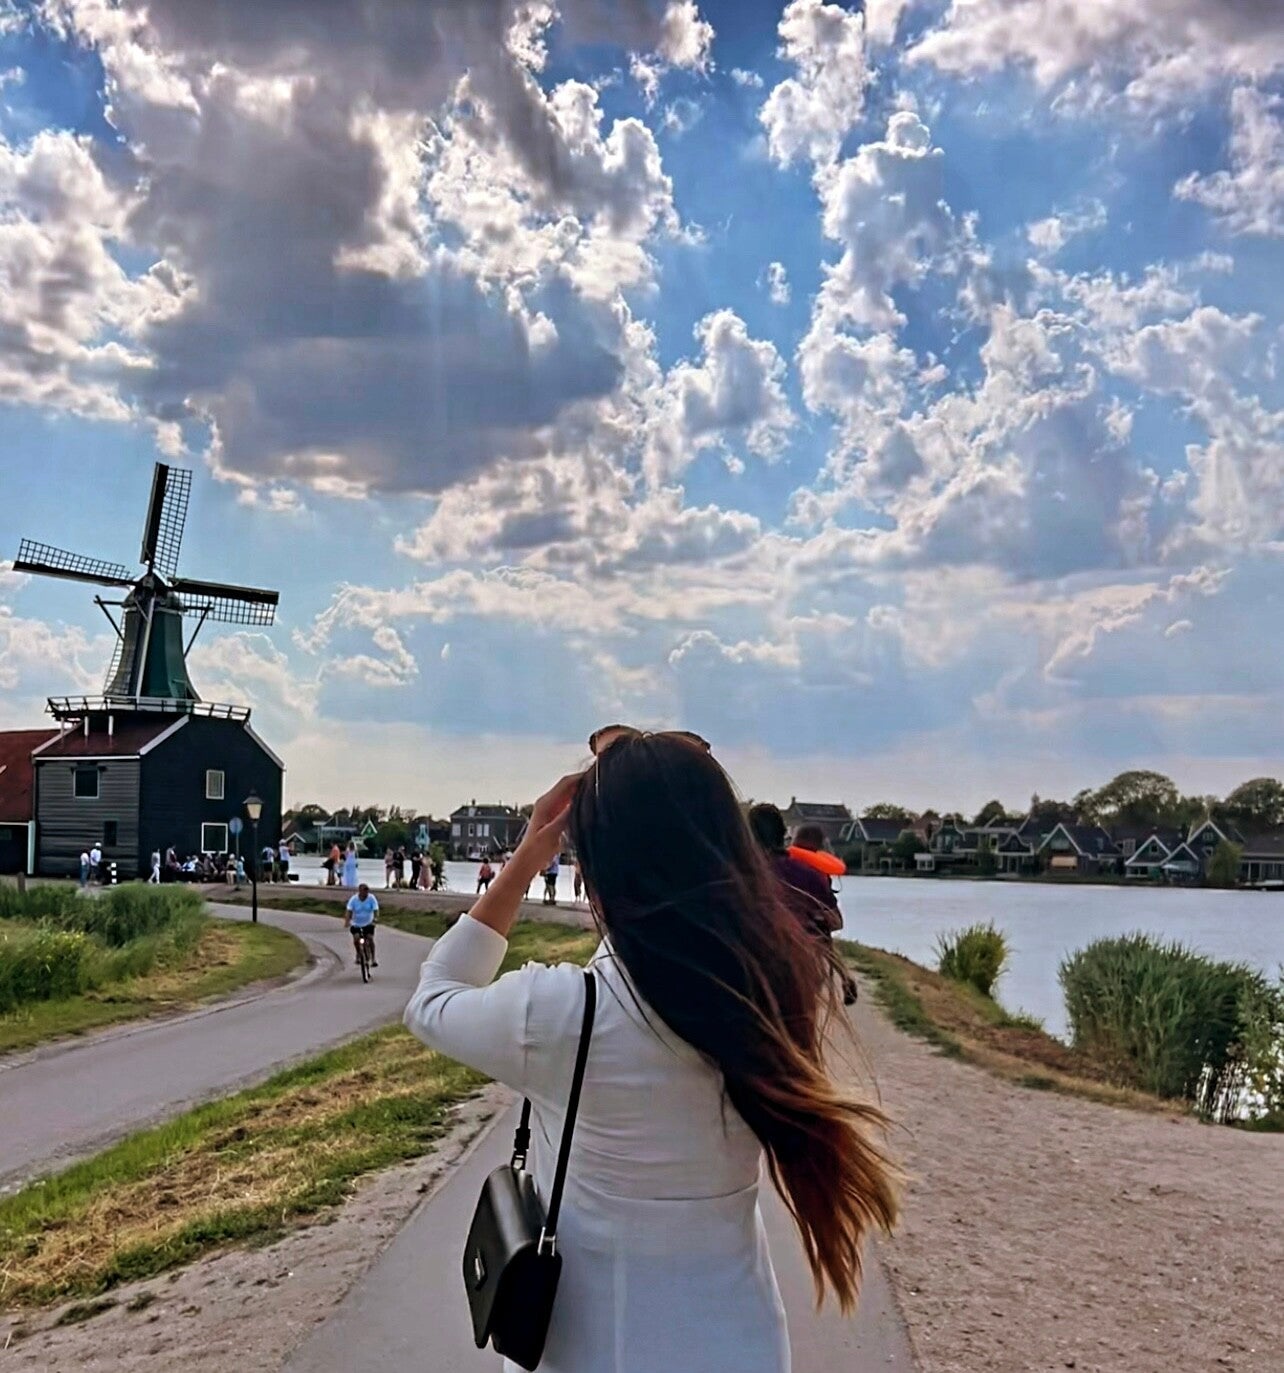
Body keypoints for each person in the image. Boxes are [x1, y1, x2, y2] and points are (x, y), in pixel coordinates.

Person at [404, 736, 898, 1373]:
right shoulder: (771, 987)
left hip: (592, 1352)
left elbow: (433, 997)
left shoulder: (560, 1013)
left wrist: (527, 857)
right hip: (741, 1343)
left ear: (596, 872)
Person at [749, 806, 858, 1006]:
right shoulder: (810, 874)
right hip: (805, 961)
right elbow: (836, 922)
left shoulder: (743, 875)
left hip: (756, 964)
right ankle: (845, 978)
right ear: (784, 834)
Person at [344, 882, 379, 968]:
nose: (366, 893)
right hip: (356, 924)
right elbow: (349, 911)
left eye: (367, 891)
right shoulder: (354, 899)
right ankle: (358, 954)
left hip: (368, 923)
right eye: (364, 891)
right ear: (360, 891)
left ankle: (373, 958)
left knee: (370, 938)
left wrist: (375, 919)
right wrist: (347, 921)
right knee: (356, 938)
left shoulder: (371, 898)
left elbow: (376, 910)